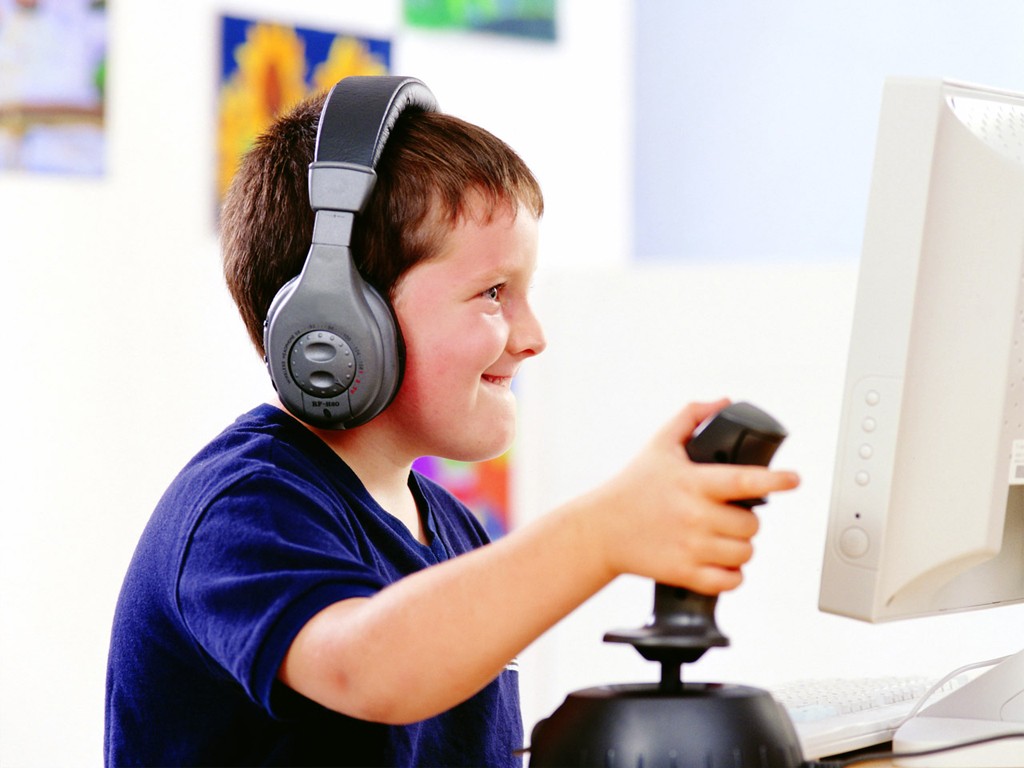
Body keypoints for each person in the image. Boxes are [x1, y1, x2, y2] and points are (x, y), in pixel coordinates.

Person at [104, 77, 800, 767]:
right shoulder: (244, 509)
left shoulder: (450, 530)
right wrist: (607, 529)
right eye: (494, 293)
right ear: (339, 320)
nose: (533, 337)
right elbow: (367, 669)